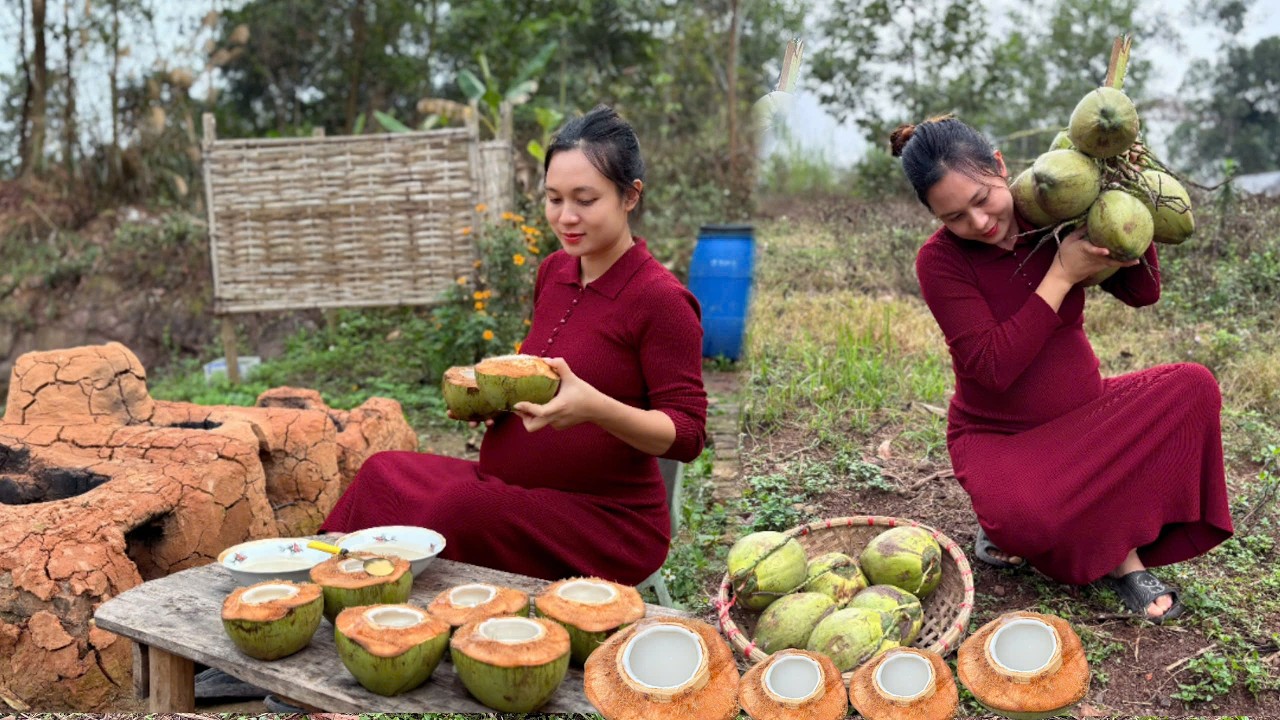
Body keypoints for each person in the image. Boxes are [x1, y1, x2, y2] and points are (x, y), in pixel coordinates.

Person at [320, 105, 707, 586]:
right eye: (554, 198)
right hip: (511, 489)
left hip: (607, 521)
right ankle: (332, 589)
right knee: (382, 472)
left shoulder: (661, 300)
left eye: (585, 200)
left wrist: (594, 407)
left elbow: (688, 434)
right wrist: (495, 402)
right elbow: (540, 373)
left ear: (630, 196)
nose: (566, 217)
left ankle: (390, 610)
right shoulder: (554, 272)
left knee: (457, 509)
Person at [893, 115, 1233, 623]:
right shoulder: (939, 262)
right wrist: (1060, 274)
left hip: (1086, 418)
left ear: (1001, 167)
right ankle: (1107, 551)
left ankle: (1118, 553)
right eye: (956, 217)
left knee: (1193, 387)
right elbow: (992, 368)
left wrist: (1116, 198)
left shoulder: (1056, 207)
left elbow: (1143, 293)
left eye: (983, 199)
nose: (980, 223)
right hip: (998, 436)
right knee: (1024, 515)